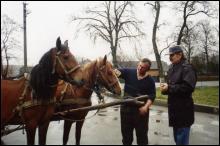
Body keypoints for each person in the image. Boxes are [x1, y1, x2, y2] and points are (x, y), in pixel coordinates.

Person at [160, 45, 197, 145]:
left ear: (180, 54)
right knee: (177, 140)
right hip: (174, 111)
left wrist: (170, 88)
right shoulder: (172, 67)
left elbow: (188, 87)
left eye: (172, 55)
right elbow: (171, 85)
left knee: (182, 141)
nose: (170, 57)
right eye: (169, 55)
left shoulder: (187, 68)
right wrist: (165, 89)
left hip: (184, 111)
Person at [115, 58, 156, 145]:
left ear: (147, 69)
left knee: (142, 138)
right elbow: (116, 72)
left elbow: (152, 96)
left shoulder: (150, 81)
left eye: (143, 67)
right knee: (126, 138)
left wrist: (146, 107)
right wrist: (112, 70)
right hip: (126, 110)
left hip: (141, 112)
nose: (140, 68)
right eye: (140, 65)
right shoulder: (129, 72)